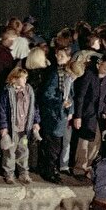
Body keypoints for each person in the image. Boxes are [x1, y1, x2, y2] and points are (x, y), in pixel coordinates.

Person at [72, 55, 106, 181]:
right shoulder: (89, 75)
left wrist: (105, 110)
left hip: (99, 114)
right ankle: (79, 168)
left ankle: (88, 166)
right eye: (105, 69)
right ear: (99, 64)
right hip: (87, 114)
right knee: (84, 141)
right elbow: (80, 96)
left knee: (96, 142)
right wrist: (78, 116)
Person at [38, 47, 77, 184]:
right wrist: (61, 102)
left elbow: (71, 94)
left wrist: (70, 109)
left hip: (62, 114)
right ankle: (49, 171)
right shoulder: (56, 74)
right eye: (57, 54)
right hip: (54, 114)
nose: (58, 57)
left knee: (57, 144)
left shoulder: (67, 75)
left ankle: (52, 169)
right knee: (52, 145)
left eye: (61, 55)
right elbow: (47, 94)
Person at [0, 66, 41, 185]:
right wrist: (3, 127)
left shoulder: (29, 90)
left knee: (23, 150)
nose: (25, 80)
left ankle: (23, 173)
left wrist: (36, 122)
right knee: (10, 152)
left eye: (26, 78)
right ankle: (9, 174)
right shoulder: (7, 92)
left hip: (24, 129)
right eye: (23, 78)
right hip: (13, 128)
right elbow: (1, 110)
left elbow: (34, 107)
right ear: (15, 78)